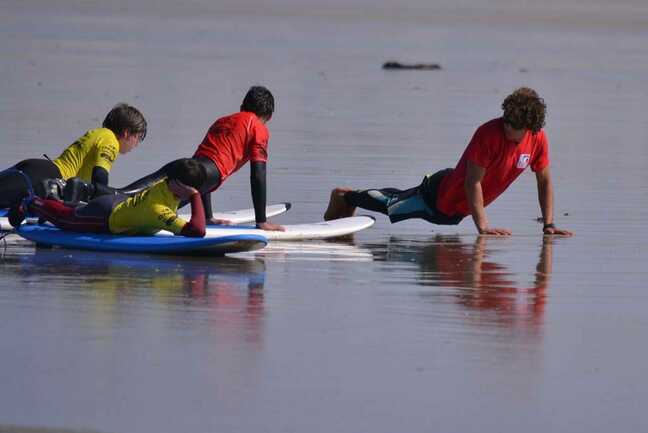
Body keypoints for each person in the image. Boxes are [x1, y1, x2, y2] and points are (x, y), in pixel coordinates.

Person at [324, 87, 573, 236]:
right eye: (506, 119)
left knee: (402, 201)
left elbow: (544, 180)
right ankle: (345, 197)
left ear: (529, 128)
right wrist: (483, 227)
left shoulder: (538, 139)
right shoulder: (489, 133)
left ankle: (349, 198)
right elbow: (472, 183)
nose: (507, 127)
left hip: (459, 210)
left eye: (514, 126)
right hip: (442, 194)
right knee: (394, 205)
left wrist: (549, 224)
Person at [85, 85, 284, 232]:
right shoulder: (260, 129)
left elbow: (201, 163)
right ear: (269, 116)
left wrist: (208, 217)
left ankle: (83, 193)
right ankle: (96, 216)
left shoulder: (222, 121)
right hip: (199, 176)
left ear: (242, 106)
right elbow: (258, 174)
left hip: (184, 166)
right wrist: (261, 221)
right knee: (139, 204)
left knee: (127, 193)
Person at [0, 103, 147, 209]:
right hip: (47, 178)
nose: (137, 144)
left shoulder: (98, 133)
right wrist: (103, 209)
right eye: (139, 137)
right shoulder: (110, 140)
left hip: (36, 169)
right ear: (127, 132)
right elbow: (100, 176)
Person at [12, 158, 207, 237]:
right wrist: (196, 196)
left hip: (120, 204)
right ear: (179, 185)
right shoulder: (157, 209)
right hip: (105, 216)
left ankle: (52, 195)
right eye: (190, 190)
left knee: (69, 211)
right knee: (66, 219)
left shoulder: (168, 186)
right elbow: (197, 231)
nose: (192, 194)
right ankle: (31, 202)